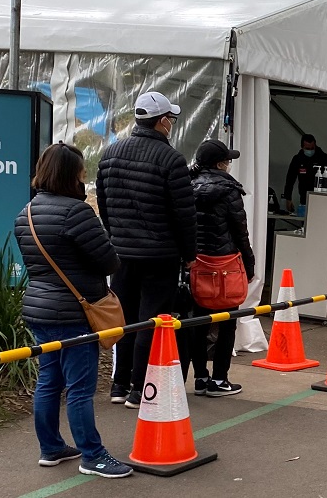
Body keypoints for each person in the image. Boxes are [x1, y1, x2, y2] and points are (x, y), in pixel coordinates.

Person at [15, 143, 132, 479]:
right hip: (73, 313)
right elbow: (110, 261)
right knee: (80, 387)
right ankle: (92, 455)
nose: (84, 177)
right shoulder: (77, 213)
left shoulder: (26, 212)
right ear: (72, 174)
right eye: (82, 171)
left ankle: (51, 447)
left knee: (49, 379)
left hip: (39, 308)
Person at [98, 90, 197, 409]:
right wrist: (190, 253)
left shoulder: (110, 153)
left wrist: (115, 237)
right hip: (160, 255)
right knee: (152, 320)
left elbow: (104, 203)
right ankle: (139, 388)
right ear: (163, 122)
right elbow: (184, 213)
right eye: (172, 118)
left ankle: (118, 384)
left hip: (121, 254)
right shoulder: (171, 159)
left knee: (124, 319)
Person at [180, 139, 255, 397]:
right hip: (227, 266)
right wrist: (250, 263)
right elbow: (240, 232)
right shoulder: (229, 191)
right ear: (220, 164)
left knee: (198, 323)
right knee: (227, 323)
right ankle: (220, 379)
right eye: (228, 160)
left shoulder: (185, 188)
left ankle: (200, 378)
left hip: (196, 265)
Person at [282, 134, 327, 210]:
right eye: (307, 148)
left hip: (323, 198)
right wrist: (288, 198)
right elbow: (290, 179)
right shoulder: (298, 159)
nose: (310, 151)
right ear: (302, 147)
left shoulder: (323, 158)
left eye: (312, 148)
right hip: (305, 197)